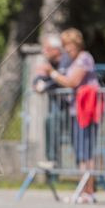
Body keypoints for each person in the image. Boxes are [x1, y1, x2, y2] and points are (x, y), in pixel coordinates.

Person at [42, 28, 99, 203]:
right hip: (76, 111)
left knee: (86, 151)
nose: (67, 50)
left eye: (69, 46)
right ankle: (83, 191)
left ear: (76, 44)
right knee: (80, 151)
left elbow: (72, 82)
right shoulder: (73, 60)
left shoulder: (84, 58)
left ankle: (88, 192)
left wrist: (51, 73)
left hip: (86, 110)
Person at [33, 34, 72, 169]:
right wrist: (39, 83)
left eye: (47, 49)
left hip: (70, 107)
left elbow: (63, 80)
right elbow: (38, 79)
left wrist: (46, 84)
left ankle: (55, 160)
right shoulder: (49, 63)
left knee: (53, 120)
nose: (44, 52)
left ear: (56, 50)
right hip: (57, 106)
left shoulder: (66, 60)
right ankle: (52, 160)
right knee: (50, 120)